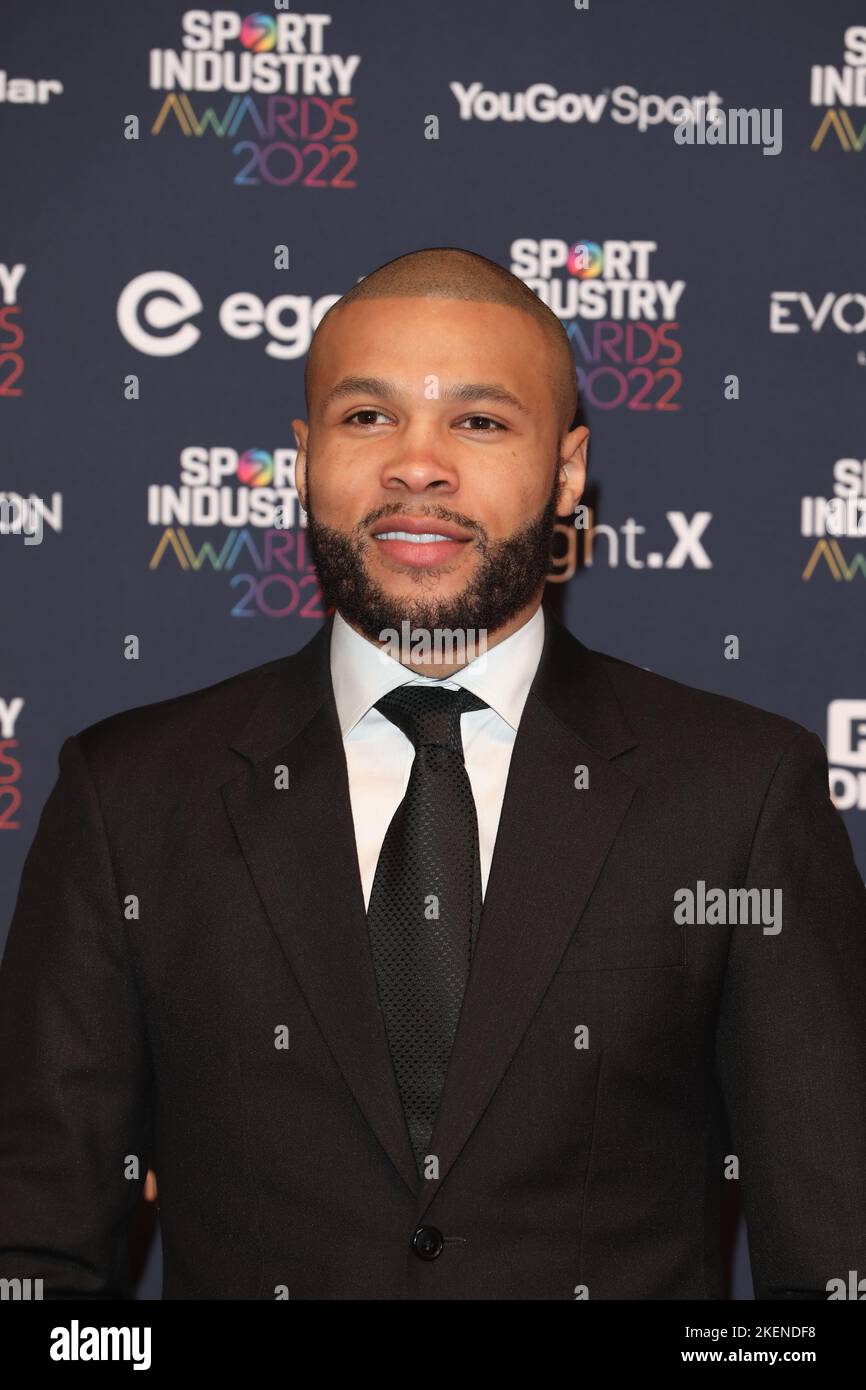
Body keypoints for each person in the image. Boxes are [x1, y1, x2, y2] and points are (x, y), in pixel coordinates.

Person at [1, 247, 864, 1300]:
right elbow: (34, 1252)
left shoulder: (740, 792)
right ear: (302, 455)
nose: (417, 465)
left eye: (479, 421)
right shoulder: (127, 796)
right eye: (366, 418)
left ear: (566, 469)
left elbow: (832, 1265)